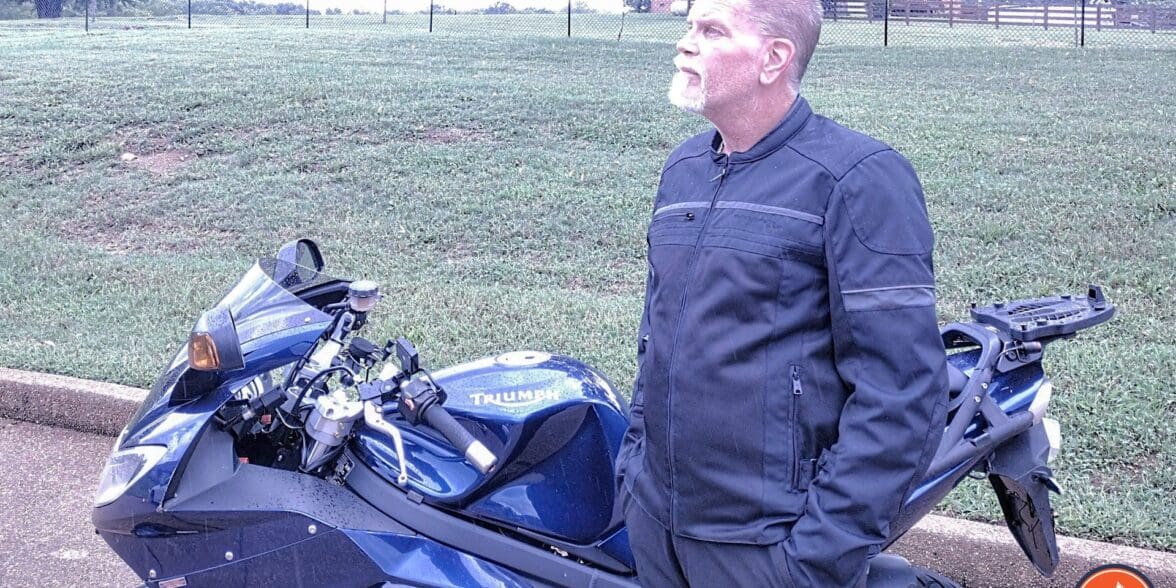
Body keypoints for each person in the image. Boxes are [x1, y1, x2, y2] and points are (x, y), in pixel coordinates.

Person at [613, 0, 950, 586]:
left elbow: (901, 392)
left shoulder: (859, 179)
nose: (685, 44)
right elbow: (656, 337)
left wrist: (816, 558)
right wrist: (635, 477)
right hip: (658, 530)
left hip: (766, 546)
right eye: (689, 27)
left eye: (712, 30)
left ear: (774, 58)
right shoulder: (684, 169)